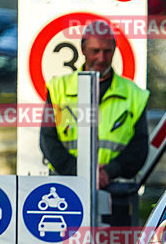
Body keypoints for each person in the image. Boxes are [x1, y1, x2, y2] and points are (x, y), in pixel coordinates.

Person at [40, 20, 149, 208]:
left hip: (117, 193)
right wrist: (81, 171)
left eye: (107, 51)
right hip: (66, 189)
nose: (101, 57)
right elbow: (48, 140)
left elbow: (139, 146)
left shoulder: (134, 94)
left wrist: (108, 172)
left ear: (114, 51)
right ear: (83, 50)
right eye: (95, 51)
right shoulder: (59, 88)